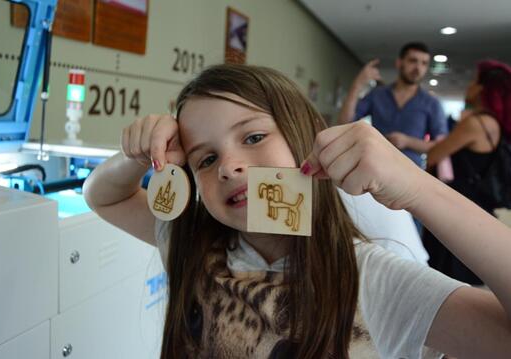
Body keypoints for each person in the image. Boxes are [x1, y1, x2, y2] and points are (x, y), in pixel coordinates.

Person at [83, 64, 511, 358]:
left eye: (252, 138)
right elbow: (103, 196)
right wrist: (138, 156)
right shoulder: (192, 244)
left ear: (305, 140)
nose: (230, 166)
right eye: (206, 160)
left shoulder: (370, 278)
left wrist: (419, 189)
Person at [423, 59, 511, 285]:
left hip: (457, 208)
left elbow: (435, 155)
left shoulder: (476, 124)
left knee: (446, 276)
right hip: (478, 208)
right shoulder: (494, 124)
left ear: (482, 88)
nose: (468, 86)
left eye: (472, 81)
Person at [337, 42, 447, 169]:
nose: (418, 68)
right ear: (399, 63)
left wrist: (407, 141)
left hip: (411, 173)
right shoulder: (377, 94)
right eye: (413, 61)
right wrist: (357, 84)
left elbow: (441, 146)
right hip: (374, 168)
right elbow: (344, 123)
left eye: (424, 63)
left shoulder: (431, 103)